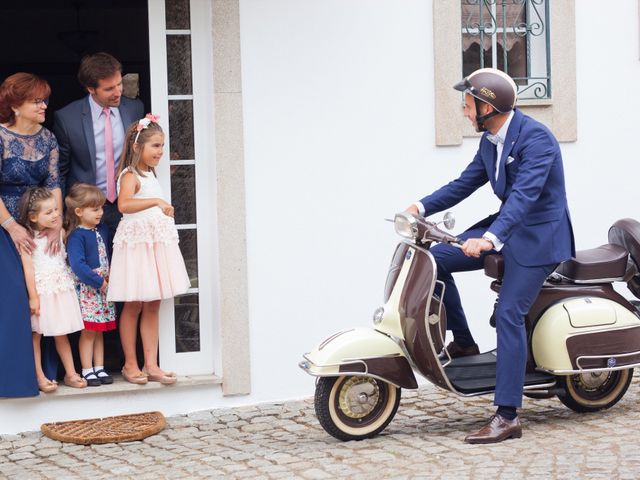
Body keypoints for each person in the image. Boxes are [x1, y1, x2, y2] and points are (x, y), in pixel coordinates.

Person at [406, 68, 574, 444]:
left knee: (510, 314)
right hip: (508, 227)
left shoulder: (537, 140)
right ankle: (464, 341)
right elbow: (463, 184)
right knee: (437, 261)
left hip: (538, 236)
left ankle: (508, 414)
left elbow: (524, 198)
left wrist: (490, 238)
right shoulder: (490, 141)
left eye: (468, 105)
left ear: (488, 106)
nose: (464, 112)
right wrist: (419, 207)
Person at [107, 115, 190, 385]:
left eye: (162, 146)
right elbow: (124, 205)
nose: (160, 152)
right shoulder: (129, 175)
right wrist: (156, 201)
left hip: (153, 245)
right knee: (134, 303)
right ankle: (130, 365)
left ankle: (151, 364)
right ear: (137, 146)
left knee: (153, 303)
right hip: (136, 246)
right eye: (155, 145)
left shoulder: (150, 174)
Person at [0, 72, 63, 397]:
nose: (43, 105)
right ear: (15, 105)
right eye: (36, 100)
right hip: (4, 226)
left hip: (39, 225)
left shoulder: (48, 138)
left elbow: (53, 183)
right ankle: (15, 376)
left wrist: (56, 225)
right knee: (15, 297)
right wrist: (10, 225)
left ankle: (44, 371)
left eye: (44, 99)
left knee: (45, 296)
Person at [53, 52, 144, 246]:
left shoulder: (135, 109)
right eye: (109, 88)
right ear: (90, 89)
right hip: (85, 209)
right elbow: (59, 172)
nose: (118, 92)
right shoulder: (67, 118)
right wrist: (59, 216)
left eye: (119, 83)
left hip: (125, 205)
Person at [17, 187, 86, 390]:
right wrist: (33, 298)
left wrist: (56, 228)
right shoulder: (28, 240)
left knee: (61, 333)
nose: (56, 214)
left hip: (60, 290)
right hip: (42, 292)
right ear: (33, 217)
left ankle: (71, 374)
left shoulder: (61, 232)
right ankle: (39, 375)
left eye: (56, 209)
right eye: (48, 212)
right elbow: (29, 270)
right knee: (36, 336)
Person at [65, 183, 117, 387]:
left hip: (103, 287)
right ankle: (87, 369)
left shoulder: (102, 230)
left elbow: (108, 256)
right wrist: (99, 282)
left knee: (99, 330)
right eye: (94, 209)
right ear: (79, 211)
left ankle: (99, 367)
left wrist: (109, 278)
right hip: (89, 289)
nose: (100, 213)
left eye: (101, 208)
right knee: (88, 331)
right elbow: (78, 265)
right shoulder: (77, 235)